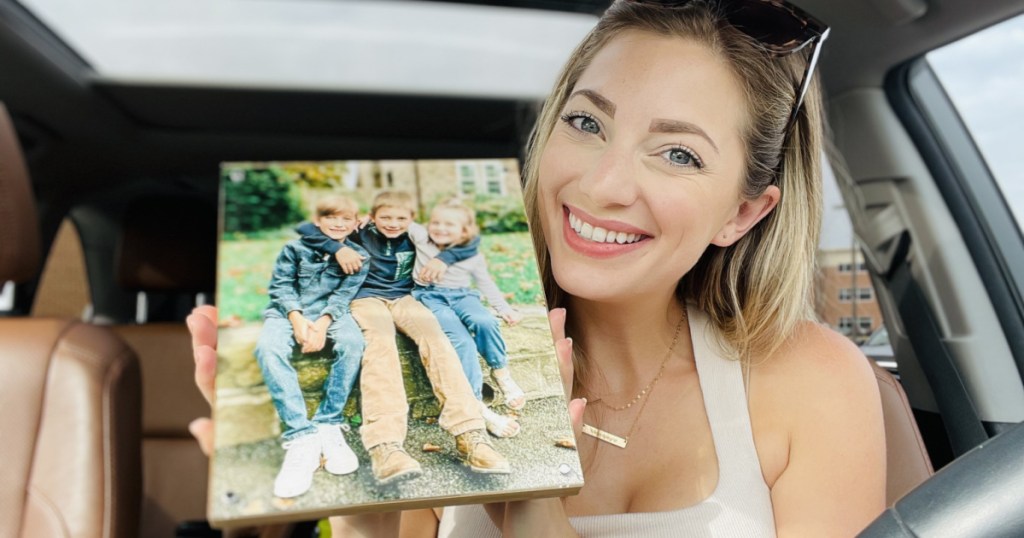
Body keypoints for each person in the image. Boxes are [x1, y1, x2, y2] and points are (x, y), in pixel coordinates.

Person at [189, 0, 886, 535]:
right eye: (587, 123)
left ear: (743, 213)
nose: (604, 183)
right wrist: (359, 510)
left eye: (678, 154)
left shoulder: (812, 383)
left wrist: (533, 507)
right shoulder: (419, 342)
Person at [297, 190, 512, 484]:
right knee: (381, 346)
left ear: (412, 220)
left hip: (405, 298)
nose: (393, 223)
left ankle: (470, 435)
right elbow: (306, 228)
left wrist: (445, 258)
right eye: (385, 217)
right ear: (371, 216)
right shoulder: (358, 233)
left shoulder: (418, 235)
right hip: (365, 300)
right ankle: (385, 446)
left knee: (437, 341)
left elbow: (469, 240)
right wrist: (338, 249)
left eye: (401, 218)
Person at [252, 194, 369, 499]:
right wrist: (298, 321)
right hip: (287, 312)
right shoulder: (293, 248)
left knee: (353, 342)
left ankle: (329, 421)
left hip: (331, 314)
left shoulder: (360, 257)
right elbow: (281, 287)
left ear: (356, 224)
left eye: (346, 219)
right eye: (332, 218)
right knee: (268, 347)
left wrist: (322, 325)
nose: (339, 224)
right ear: (318, 222)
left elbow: (343, 297)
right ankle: (301, 435)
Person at [410, 198, 526, 438]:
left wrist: (503, 308)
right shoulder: (421, 237)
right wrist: (367, 217)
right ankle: (476, 404)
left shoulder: (471, 254)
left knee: (485, 321)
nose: (440, 228)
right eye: (436, 222)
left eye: (449, 224)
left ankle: (500, 371)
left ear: (465, 231)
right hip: (431, 298)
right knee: (461, 342)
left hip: (463, 296)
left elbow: (485, 283)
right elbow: (398, 217)